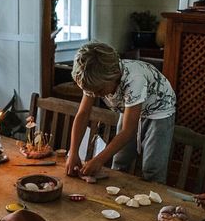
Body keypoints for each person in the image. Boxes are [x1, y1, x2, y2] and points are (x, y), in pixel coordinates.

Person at [65, 42, 176, 183]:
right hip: (129, 107)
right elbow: (83, 114)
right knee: (119, 161)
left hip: (159, 111)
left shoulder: (134, 80)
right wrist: (73, 153)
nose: (95, 95)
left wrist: (98, 160)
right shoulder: (93, 77)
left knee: (152, 168)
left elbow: (127, 131)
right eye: (91, 91)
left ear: (113, 77)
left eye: (99, 91)